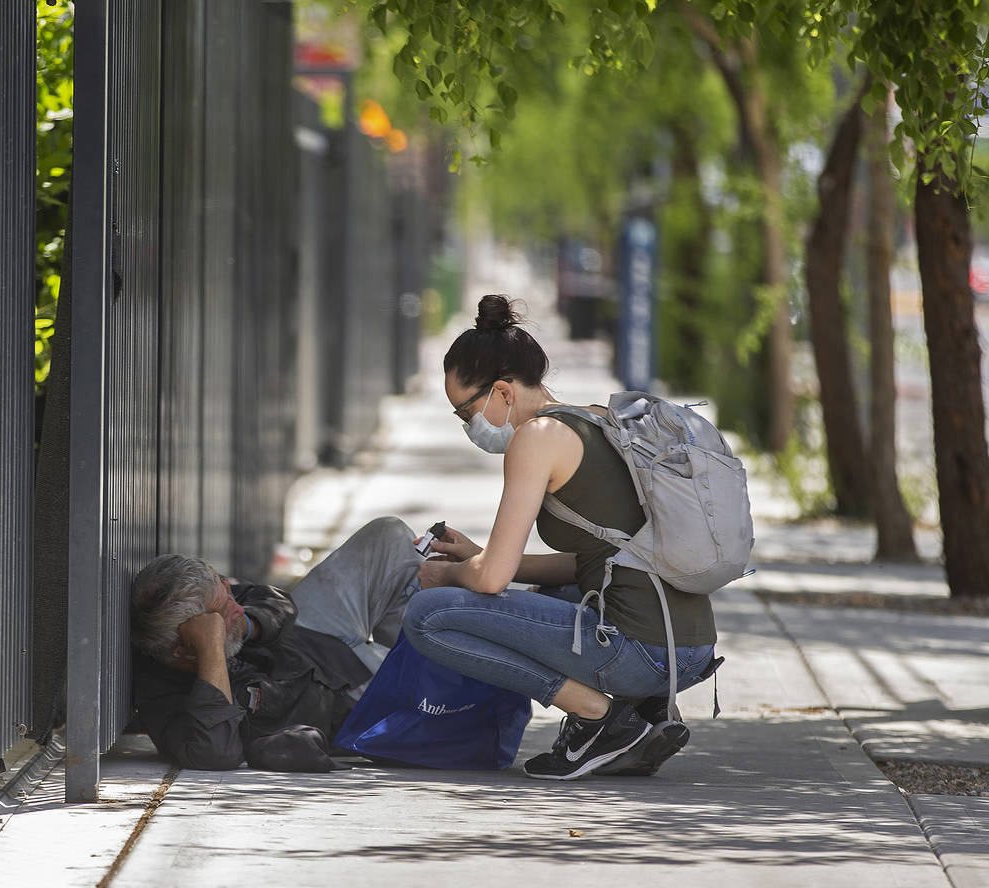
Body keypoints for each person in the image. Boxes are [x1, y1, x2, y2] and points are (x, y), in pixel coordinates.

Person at [402, 294, 721, 780]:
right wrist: (478, 555)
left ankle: (601, 718)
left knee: (428, 615)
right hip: (688, 649)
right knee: (553, 590)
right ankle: (643, 711)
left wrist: (447, 573)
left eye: (465, 412)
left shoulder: (537, 438)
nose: (469, 426)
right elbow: (590, 562)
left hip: (643, 651)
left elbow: (489, 582)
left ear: (503, 393)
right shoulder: (597, 419)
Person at [130, 517, 423, 771]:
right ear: (185, 646)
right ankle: (428, 669)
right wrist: (212, 654)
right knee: (430, 698)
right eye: (223, 611)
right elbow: (216, 753)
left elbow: (278, 602)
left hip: (313, 635)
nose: (237, 607)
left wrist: (246, 627)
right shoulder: (166, 701)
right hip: (345, 694)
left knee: (390, 535)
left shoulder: (220, 604)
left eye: (228, 593)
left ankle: (421, 652)